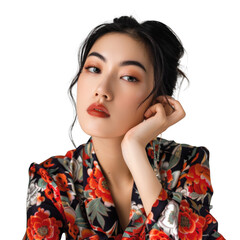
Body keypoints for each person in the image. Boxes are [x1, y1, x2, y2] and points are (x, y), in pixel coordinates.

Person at [23, 16, 225, 240]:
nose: (102, 89)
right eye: (93, 68)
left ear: (159, 101)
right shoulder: (53, 179)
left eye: (128, 77)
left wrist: (134, 148)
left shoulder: (187, 163)